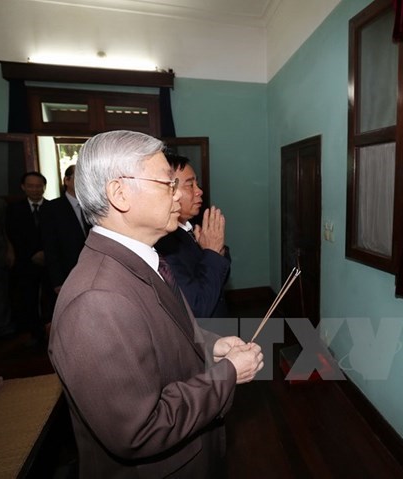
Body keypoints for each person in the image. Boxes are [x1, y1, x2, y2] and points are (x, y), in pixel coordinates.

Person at [48, 130, 263, 478]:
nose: (178, 196)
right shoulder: (95, 301)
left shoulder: (143, 260)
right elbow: (138, 431)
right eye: (168, 184)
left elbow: (167, 333)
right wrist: (229, 373)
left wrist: (212, 345)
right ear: (120, 193)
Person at [155, 153, 231, 318]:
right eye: (190, 185)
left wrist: (217, 248)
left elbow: (220, 275)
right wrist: (211, 252)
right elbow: (196, 308)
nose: (199, 191)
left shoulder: (196, 225)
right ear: (169, 190)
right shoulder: (163, 242)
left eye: (197, 183)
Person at [6, 171, 52, 340]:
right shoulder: (13, 210)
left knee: (51, 299)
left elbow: (55, 235)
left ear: (44, 187)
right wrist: (32, 254)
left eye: (38, 186)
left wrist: (45, 253)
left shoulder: (52, 208)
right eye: (31, 186)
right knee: (28, 299)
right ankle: (35, 334)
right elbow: (13, 235)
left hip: (49, 262)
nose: (35, 190)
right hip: (25, 261)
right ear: (23, 187)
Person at [41, 165, 89, 298]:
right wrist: (57, 280)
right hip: (67, 271)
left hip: (91, 269)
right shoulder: (52, 208)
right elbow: (50, 246)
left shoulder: (92, 205)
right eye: (78, 177)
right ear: (66, 180)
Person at [0, 196, 15, 338]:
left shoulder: (0, 203)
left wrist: (10, 250)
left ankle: (3, 327)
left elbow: (6, 230)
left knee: (1, 292)